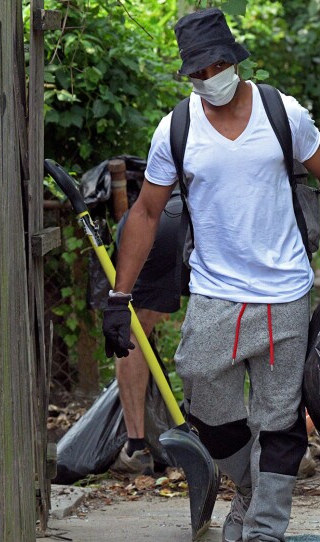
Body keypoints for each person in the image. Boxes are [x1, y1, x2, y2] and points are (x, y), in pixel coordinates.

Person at [101, 8, 320, 542]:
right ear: (189, 75)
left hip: (285, 292)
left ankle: (265, 528)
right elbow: (146, 213)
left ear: (234, 59)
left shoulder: (282, 113)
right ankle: (248, 488)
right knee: (202, 389)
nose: (211, 79)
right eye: (199, 73)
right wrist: (121, 295)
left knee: (279, 417)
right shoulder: (177, 127)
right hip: (215, 292)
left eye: (218, 65)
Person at [108, 193, 189, 476]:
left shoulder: (171, 151)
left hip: (156, 220)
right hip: (204, 221)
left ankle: (135, 448)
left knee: (136, 326)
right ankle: (279, 446)